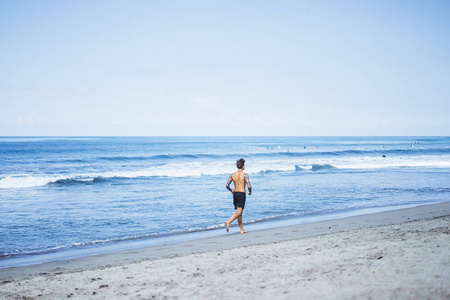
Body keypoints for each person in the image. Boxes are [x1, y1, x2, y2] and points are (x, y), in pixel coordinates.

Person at [225, 158, 252, 233]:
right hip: (241, 194)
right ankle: (228, 222)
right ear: (243, 166)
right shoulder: (245, 175)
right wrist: (250, 191)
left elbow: (227, 185)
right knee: (239, 213)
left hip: (235, 194)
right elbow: (249, 185)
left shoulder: (232, 175)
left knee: (239, 212)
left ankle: (241, 229)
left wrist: (232, 190)